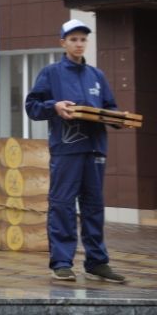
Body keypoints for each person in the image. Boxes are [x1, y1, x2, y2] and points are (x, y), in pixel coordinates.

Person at [25, 19, 126, 283]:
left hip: (95, 149)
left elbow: (110, 107)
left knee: (94, 206)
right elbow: (32, 106)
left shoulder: (97, 76)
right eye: (73, 39)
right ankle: (61, 262)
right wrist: (54, 106)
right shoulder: (51, 73)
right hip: (67, 149)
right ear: (63, 43)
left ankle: (96, 263)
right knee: (62, 205)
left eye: (83, 39)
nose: (79, 44)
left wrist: (118, 117)